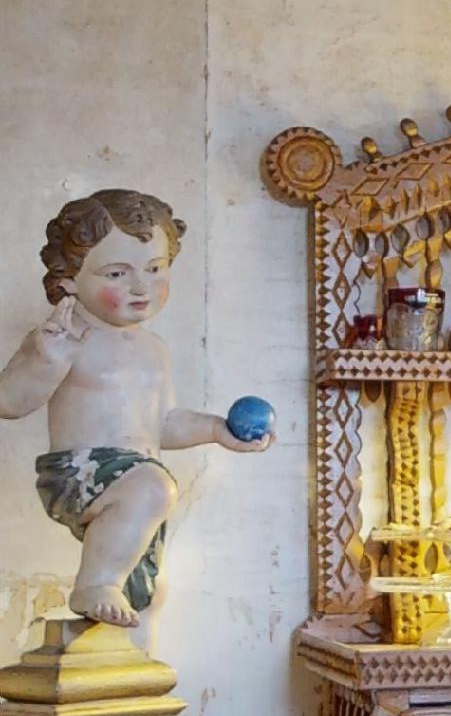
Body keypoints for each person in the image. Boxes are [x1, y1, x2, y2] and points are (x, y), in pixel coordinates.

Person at [0, 190, 270, 627]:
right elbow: (9, 402)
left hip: (137, 479)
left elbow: (161, 424)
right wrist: (46, 359)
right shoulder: (63, 338)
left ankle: (116, 638)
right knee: (153, 488)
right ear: (69, 278)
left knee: (147, 589)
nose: (141, 286)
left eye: (155, 269)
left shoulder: (154, 350)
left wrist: (217, 429)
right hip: (78, 473)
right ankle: (94, 584)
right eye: (117, 273)